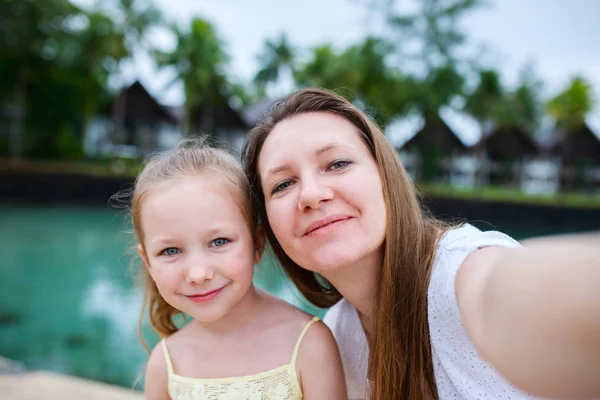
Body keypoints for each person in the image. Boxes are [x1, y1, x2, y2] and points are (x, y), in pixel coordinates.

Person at [242, 87, 600, 400]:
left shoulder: (455, 273)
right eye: (283, 185)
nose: (311, 195)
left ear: (385, 175)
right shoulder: (338, 332)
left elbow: (504, 291)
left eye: (336, 163)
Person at [126, 140, 347, 400]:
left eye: (219, 242)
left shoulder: (309, 344)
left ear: (258, 242)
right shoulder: (165, 364)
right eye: (170, 251)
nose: (198, 274)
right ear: (148, 262)